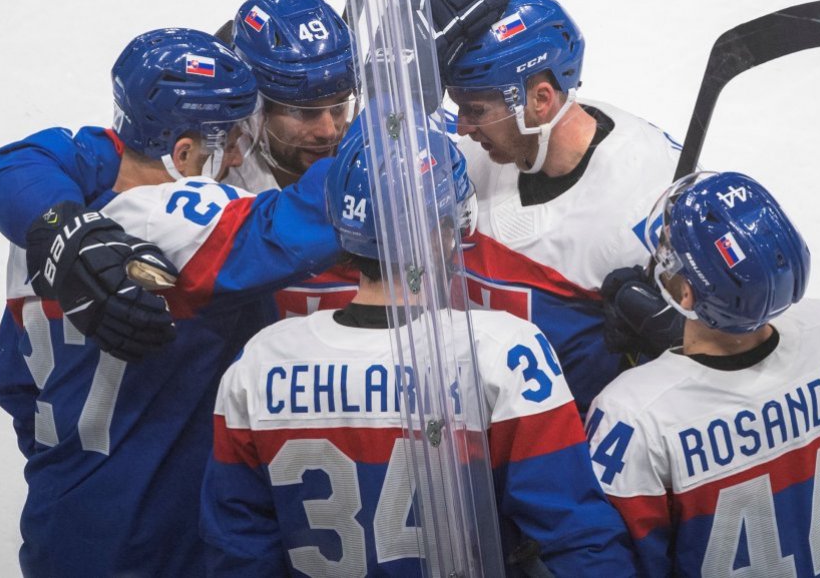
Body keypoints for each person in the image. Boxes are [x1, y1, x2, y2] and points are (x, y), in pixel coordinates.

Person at [200, 115, 638, 576]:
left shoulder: (260, 360)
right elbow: (578, 536)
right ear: (443, 232)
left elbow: (237, 546)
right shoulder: (503, 351)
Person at [0, 0, 509, 350]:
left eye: (338, 106)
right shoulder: (181, 175)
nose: (328, 129)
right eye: (302, 112)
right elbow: (18, 164)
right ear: (249, 107)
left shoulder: (390, 143)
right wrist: (403, 103)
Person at [0, 28, 343, 577]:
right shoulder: (176, 220)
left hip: (61, 519)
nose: (239, 156)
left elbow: (9, 378)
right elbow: (304, 222)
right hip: (160, 534)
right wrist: (396, 116)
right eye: (230, 141)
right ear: (183, 152)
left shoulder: (47, 224)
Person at [585, 171, 820, 577]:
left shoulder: (633, 417)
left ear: (688, 294)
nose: (660, 253)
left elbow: (619, 559)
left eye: (668, 250)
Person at [444, 0, 682, 415]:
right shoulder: (474, 155)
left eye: (475, 110)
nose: (461, 127)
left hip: (577, 453)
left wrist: (677, 340)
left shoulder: (648, 194)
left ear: (540, 99)